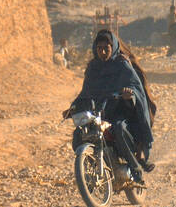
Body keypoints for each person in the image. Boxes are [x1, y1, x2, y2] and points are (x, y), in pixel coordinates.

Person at [63, 30, 154, 183]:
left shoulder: (121, 64)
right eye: (99, 48)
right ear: (95, 49)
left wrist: (128, 95)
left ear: (113, 48)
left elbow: (134, 86)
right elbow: (86, 92)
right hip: (99, 113)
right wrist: (73, 108)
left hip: (120, 112)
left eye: (107, 48)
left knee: (119, 128)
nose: (103, 51)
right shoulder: (93, 68)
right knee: (79, 134)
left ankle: (136, 169)